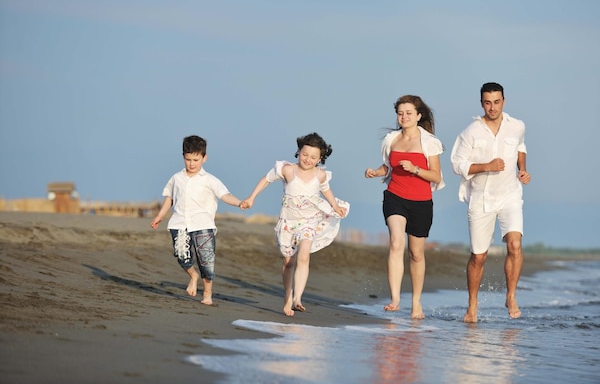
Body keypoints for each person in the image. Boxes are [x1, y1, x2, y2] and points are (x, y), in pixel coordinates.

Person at [240, 132, 349, 317]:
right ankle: (288, 297)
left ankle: (298, 298)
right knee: (288, 262)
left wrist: (335, 206)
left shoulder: (320, 175)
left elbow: (326, 190)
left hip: (309, 221)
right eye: (305, 154)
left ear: (320, 158)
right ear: (298, 152)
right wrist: (251, 197)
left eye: (313, 157)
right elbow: (266, 179)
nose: (308, 159)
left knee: (304, 255)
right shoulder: (287, 169)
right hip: (288, 223)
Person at [450, 82, 531, 323]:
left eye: (497, 102)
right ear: (481, 103)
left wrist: (523, 169)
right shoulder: (470, 132)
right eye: (487, 102)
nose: (492, 107)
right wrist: (487, 166)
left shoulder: (517, 126)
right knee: (479, 257)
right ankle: (472, 304)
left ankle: (511, 296)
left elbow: (521, 147)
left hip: (510, 195)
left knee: (515, 245)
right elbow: (457, 165)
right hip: (480, 199)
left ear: (504, 101)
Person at [364, 95, 445, 319]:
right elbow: (388, 167)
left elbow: (436, 177)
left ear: (419, 116)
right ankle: (395, 299)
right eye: (400, 113)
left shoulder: (430, 142)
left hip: (421, 202)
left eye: (409, 113)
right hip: (395, 196)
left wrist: (415, 169)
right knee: (396, 242)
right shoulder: (391, 139)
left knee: (416, 254)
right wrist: (375, 172)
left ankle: (416, 302)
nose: (404, 117)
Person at [151, 135, 243, 306]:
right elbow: (169, 198)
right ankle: (193, 275)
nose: (191, 164)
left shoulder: (210, 180)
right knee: (181, 254)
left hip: (203, 224)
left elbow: (225, 195)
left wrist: (239, 203)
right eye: (188, 159)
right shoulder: (176, 178)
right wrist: (160, 216)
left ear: (204, 158)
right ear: (183, 157)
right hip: (179, 223)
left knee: (206, 260)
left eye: (196, 159)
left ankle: (207, 293)